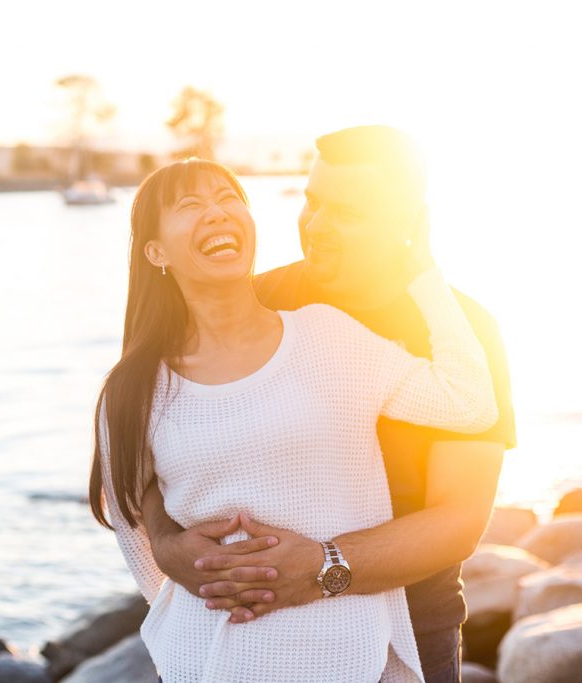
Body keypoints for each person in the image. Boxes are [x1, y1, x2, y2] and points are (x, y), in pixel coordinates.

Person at [89, 152, 499, 681]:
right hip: (207, 659)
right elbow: (128, 510)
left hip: (349, 651)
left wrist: (422, 271)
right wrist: (182, 576)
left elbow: (467, 404)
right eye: (191, 204)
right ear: (155, 251)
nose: (217, 213)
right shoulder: (133, 388)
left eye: (229, 198)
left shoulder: (327, 335)